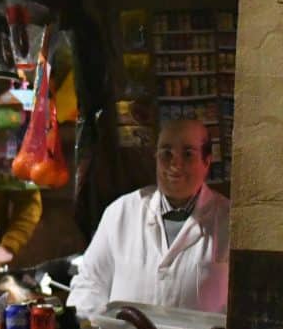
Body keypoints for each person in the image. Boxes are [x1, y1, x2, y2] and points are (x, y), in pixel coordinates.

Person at [69, 119, 230, 317]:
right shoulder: (121, 213)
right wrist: (101, 325)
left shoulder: (228, 221)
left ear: (207, 161)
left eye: (188, 154)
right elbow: (89, 284)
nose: (175, 163)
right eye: (166, 153)